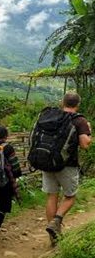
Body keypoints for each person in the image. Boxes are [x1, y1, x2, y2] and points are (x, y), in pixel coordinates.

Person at [43, 93, 91, 243]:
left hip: (47, 162)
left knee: (52, 196)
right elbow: (84, 145)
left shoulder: (51, 116)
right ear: (78, 104)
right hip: (67, 165)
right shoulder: (79, 120)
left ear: (63, 102)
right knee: (70, 197)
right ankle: (56, 221)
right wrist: (89, 133)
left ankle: (53, 237)